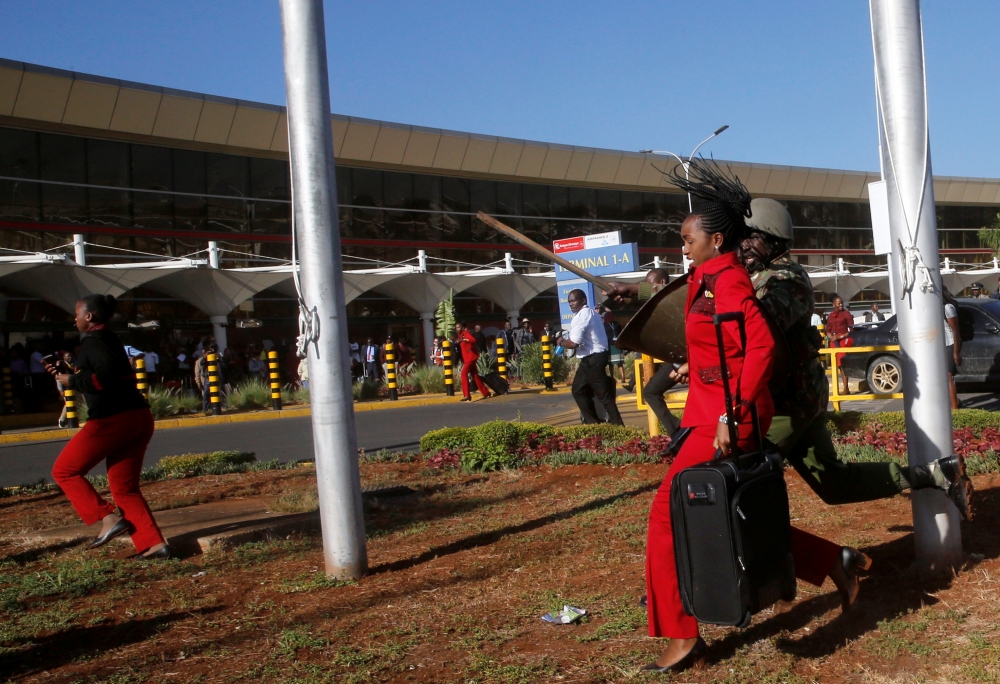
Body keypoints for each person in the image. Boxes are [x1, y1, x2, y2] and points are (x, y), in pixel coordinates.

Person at [639, 160, 863, 673]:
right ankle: (833, 560)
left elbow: (759, 346)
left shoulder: (730, 281)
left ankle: (682, 634)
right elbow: (720, 345)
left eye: (688, 238)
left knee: (669, 516)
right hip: (707, 410)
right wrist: (688, 370)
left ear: (716, 239)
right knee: (726, 513)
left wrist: (731, 410)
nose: (682, 245)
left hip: (728, 415)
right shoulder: (705, 277)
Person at [738, 197, 972, 515]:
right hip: (796, 398)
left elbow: (760, 322)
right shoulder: (757, 277)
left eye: (752, 238)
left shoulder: (786, 279)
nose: (744, 246)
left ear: (773, 238)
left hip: (789, 402)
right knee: (836, 485)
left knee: (739, 468)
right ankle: (936, 473)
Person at [47, 294, 168, 560]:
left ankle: (107, 517)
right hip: (139, 416)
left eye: (77, 314)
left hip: (113, 419)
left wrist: (74, 381)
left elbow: (107, 378)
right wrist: (68, 374)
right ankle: (154, 545)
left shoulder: (92, 342)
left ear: (89, 317)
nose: (74, 319)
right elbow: (107, 373)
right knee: (124, 488)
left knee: (64, 471)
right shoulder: (110, 338)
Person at [603, 268, 680, 432]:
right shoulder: (649, 300)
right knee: (650, 391)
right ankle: (677, 430)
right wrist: (622, 298)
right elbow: (633, 300)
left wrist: (631, 287)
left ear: (662, 282)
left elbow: (658, 292)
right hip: (677, 358)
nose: (646, 288)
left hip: (690, 354)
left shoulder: (672, 294)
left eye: (649, 284)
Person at [557, 289, 624, 425]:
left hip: (593, 358)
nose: (571, 304)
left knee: (604, 396)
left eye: (574, 300)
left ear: (583, 300)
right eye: (569, 301)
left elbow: (574, 343)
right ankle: (592, 422)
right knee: (578, 390)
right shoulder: (593, 313)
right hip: (591, 358)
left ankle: (619, 426)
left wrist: (560, 341)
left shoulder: (581, 316)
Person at [825, 294, 854, 395]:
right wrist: (830, 336)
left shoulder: (846, 314)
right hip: (834, 342)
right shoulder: (830, 316)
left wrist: (839, 337)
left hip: (843, 341)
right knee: (838, 365)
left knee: (843, 364)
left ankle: (846, 388)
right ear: (834, 304)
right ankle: (843, 388)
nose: (841, 305)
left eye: (842, 303)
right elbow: (827, 330)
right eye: (839, 303)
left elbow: (851, 330)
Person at [455, 321, 490, 401]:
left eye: (458, 327)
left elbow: (473, 340)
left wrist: (464, 340)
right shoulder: (460, 335)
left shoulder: (465, 333)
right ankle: (485, 392)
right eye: (456, 327)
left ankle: (467, 395)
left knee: (463, 374)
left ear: (462, 328)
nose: (457, 329)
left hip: (470, 358)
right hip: (468, 358)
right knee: (475, 376)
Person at [944, 290, 962, 410]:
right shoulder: (931, 306)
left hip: (949, 343)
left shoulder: (947, 308)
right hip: (938, 345)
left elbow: (956, 331)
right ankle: (955, 401)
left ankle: (955, 409)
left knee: (948, 376)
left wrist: (956, 352)